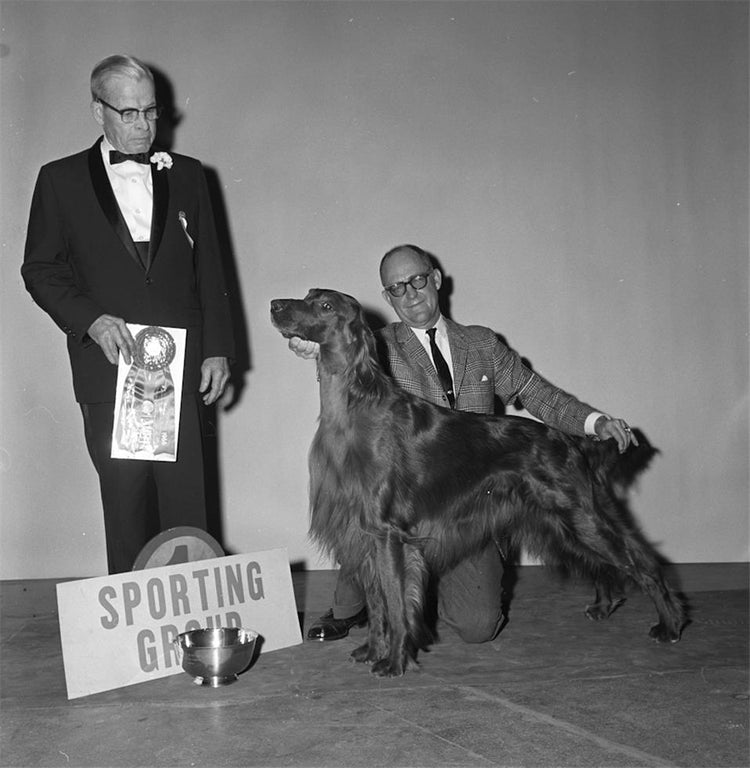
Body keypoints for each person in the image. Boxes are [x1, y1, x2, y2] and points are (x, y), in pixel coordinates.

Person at [290, 243, 636, 643]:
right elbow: (346, 378)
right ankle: (351, 608)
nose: (411, 294)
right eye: (397, 288)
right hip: (404, 501)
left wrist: (595, 423)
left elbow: (538, 394)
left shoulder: (482, 344)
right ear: (387, 297)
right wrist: (318, 351)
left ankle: (420, 592)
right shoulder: (378, 345)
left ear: (435, 279)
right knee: (366, 511)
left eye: (417, 280)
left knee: (478, 627)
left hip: (464, 509)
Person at [22, 55, 235, 574]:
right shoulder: (59, 180)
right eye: (128, 113)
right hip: (109, 371)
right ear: (99, 112)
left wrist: (218, 349)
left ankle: (198, 631)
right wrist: (92, 319)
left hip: (181, 370)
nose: (143, 126)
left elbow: (211, 270)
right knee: (126, 509)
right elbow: (41, 270)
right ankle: (134, 643)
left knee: (188, 510)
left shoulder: (188, 175)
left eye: (152, 112)